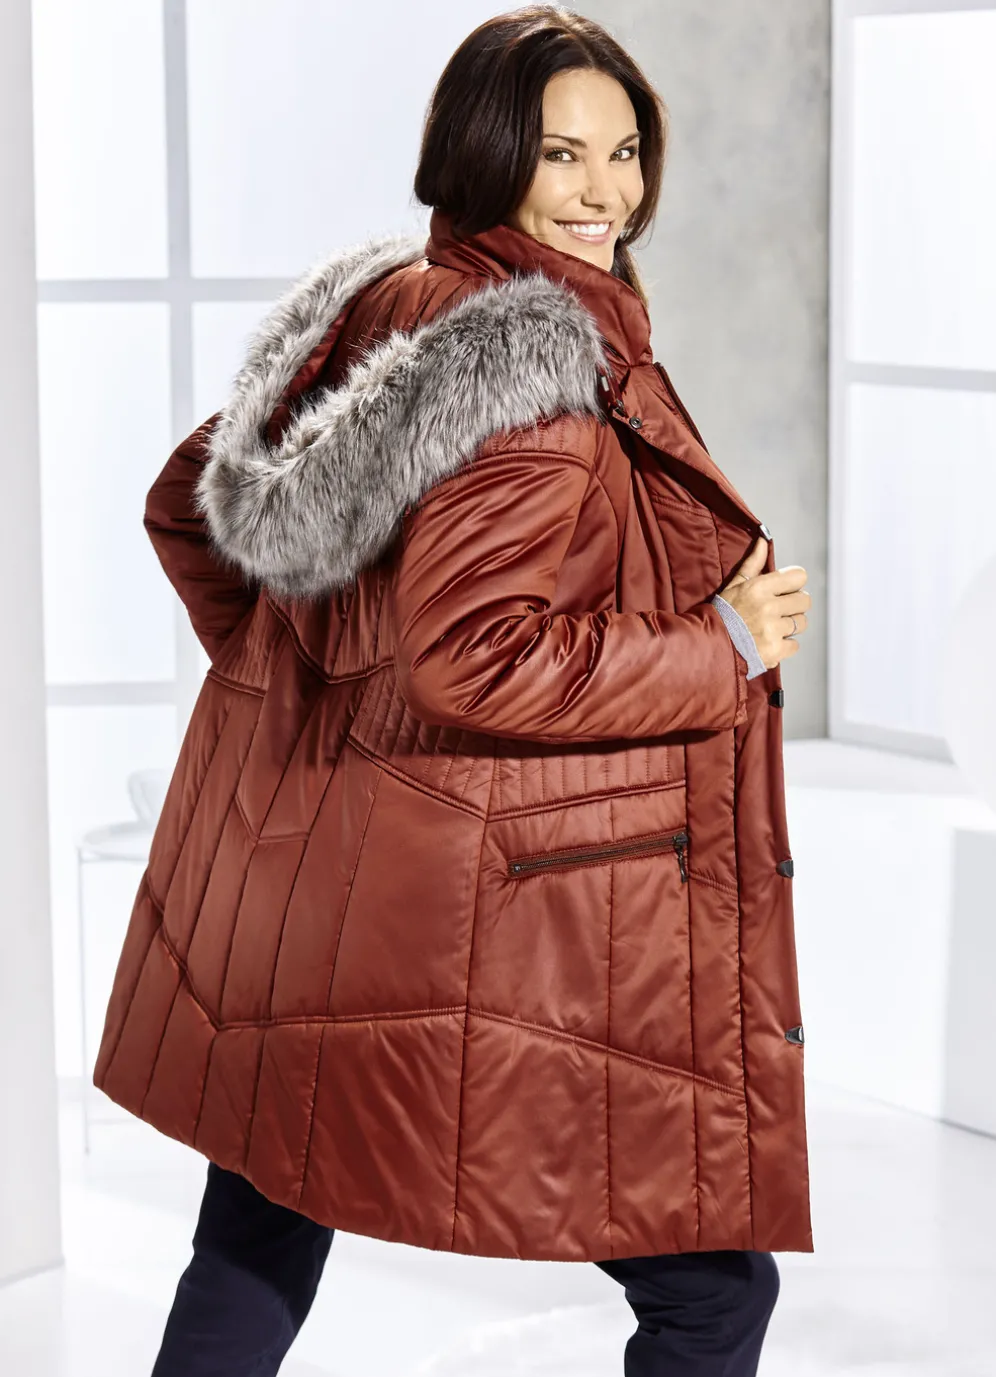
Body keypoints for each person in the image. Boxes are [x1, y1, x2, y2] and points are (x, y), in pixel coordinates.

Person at [93, 6, 814, 1374]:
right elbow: (475, 653)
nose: (606, 195)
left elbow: (194, 506)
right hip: (483, 917)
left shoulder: (386, 301)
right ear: (488, 156)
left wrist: (312, 701)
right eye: (561, 155)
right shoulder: (533, 375)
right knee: (715, 1295)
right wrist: (720, 643)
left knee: (259, 1226)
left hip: (315, 897)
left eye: (623, 152)